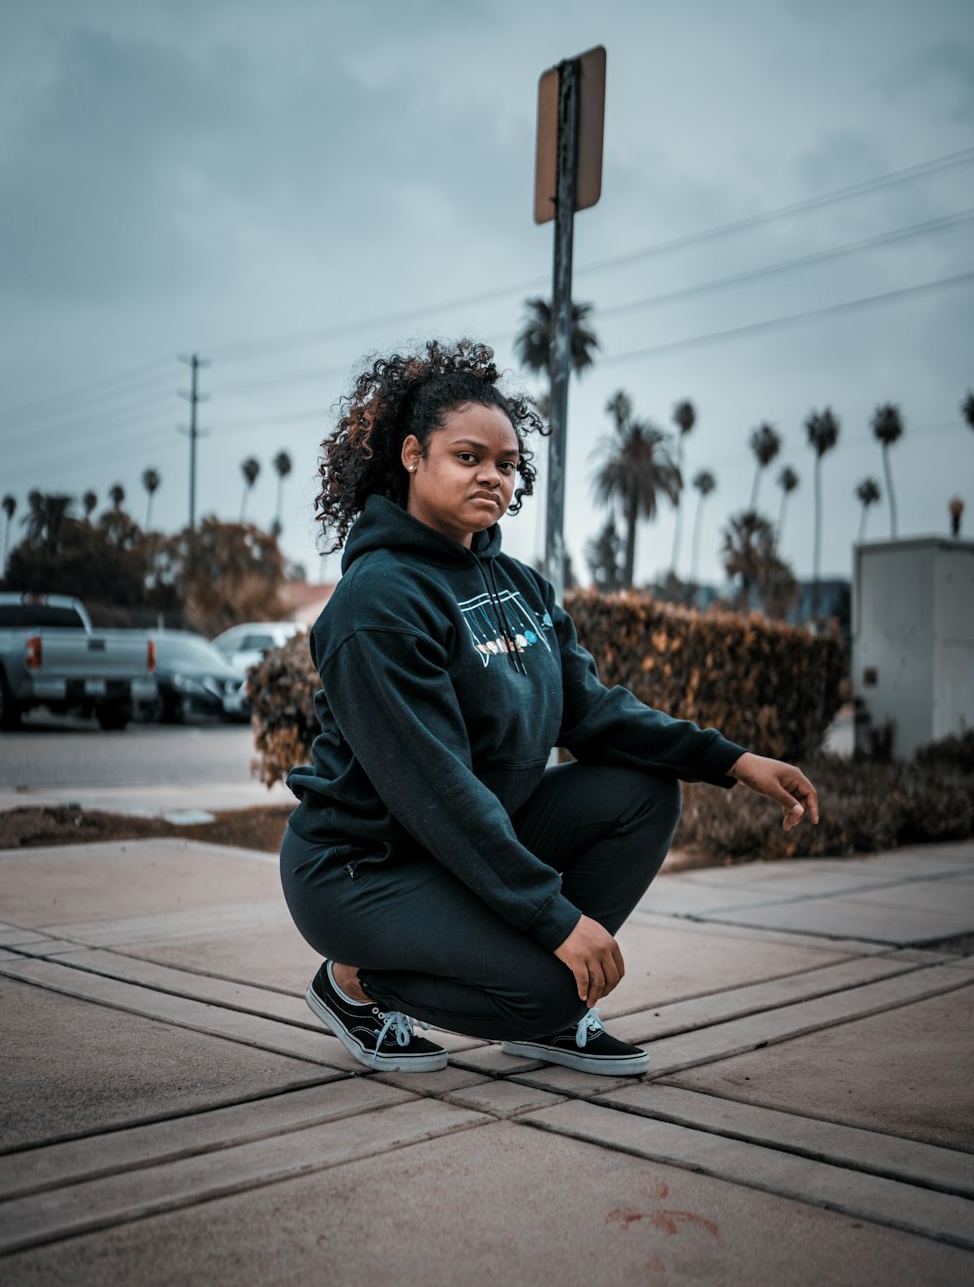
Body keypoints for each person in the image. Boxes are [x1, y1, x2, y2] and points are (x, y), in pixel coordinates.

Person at [280, 339, 818, 1077]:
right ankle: (353, 982)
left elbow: (593, 712)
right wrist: (553, 920)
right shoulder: (378, 601)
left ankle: (555, 1006)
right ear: (412, 456)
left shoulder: (520, 588)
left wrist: (732, 761)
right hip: (361, 867)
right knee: (546, 990)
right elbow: (438, 790)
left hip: (457, 846)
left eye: (506, 464)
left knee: (640, 792)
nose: (492, 477)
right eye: (468, 457)